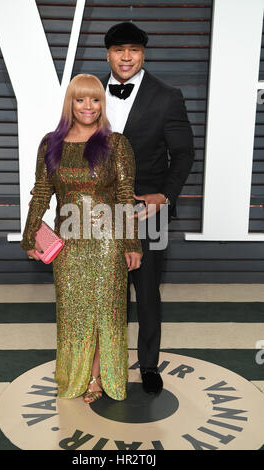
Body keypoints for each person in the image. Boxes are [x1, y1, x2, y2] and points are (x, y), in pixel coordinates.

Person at [20, 74, 142, 403]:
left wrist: (132, 243)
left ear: (102, 104)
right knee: (73, 313)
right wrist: (31, 232)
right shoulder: (51, 143)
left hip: (108, 244)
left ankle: (100, 379)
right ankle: (78, 376)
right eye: (80, 99)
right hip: (69, 246)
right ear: (70, 104)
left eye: (95, 99)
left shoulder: (116, 144)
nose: (88, 106)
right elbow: (43, 192)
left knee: (108, 313)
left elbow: (125, 197)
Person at [101, 22, 195, 394]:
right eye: (119, 50)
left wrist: (165, 196)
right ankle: (104, 364)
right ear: (107, 53)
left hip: (146, 212)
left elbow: (185, 153)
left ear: (144, 54)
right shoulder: (89, 92)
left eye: (134, 50)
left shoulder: (168, 96)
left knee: (147, 291)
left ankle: (150, 364)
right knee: (104, 291)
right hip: (99, 212)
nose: (126, 57)